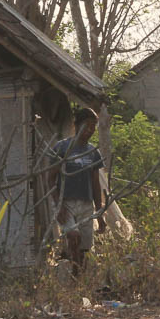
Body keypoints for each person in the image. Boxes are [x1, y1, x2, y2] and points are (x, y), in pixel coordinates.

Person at [46, 108, 106, 275]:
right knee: (73, 235)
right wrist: (59, 206)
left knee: (84, 248)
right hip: (66, 203)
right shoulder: (62, 148)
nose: (90, 130)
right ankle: (75, 272)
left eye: (93, 127)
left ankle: (77, 278)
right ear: (77, 125)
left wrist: (99, 213)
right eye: (86, 126)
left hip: (86, 204)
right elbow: (50, 178)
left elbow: (95, 184)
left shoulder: (93, 152)